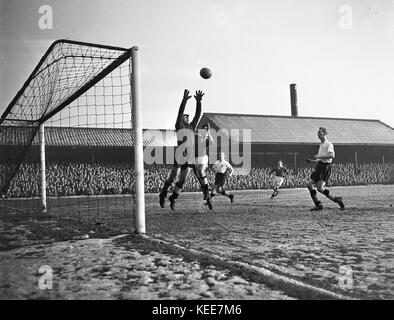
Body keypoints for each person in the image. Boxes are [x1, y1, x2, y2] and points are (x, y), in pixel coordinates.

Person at [159, 89, 213, 210]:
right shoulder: (179, 126)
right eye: (185, 117)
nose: (187, 118)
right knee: (173, 177)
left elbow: (197, 115)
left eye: (187, 117)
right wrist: (184, 100)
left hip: (189, 155)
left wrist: (199, 102)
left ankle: (174, 197)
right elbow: (180, 112)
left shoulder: (192, 126)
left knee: (184, 180)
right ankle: (163, 194)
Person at [305, 127, 345, 211]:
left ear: (324, 133)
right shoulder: (321, 145)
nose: (318, 134)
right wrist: (312, 161)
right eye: (318, 132)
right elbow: (320, 159)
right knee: (309, 185)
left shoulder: (328, 144)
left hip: (325, 168)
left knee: (320, 188)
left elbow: (332, 156)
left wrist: (319, 156)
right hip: (319, 166)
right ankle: (318, 205)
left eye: (319, 132)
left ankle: (336, 199)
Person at [195, 122, 214, 202]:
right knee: (199, 177)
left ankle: (206, 193)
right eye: (204, 129)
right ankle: (206, 193)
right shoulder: (197, 137)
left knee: (202, 171)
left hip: (203, 157)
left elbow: (212, 143)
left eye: (206, 129)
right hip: (195, 158)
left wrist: (209, 133)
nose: (205, 130)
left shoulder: (206, 139)